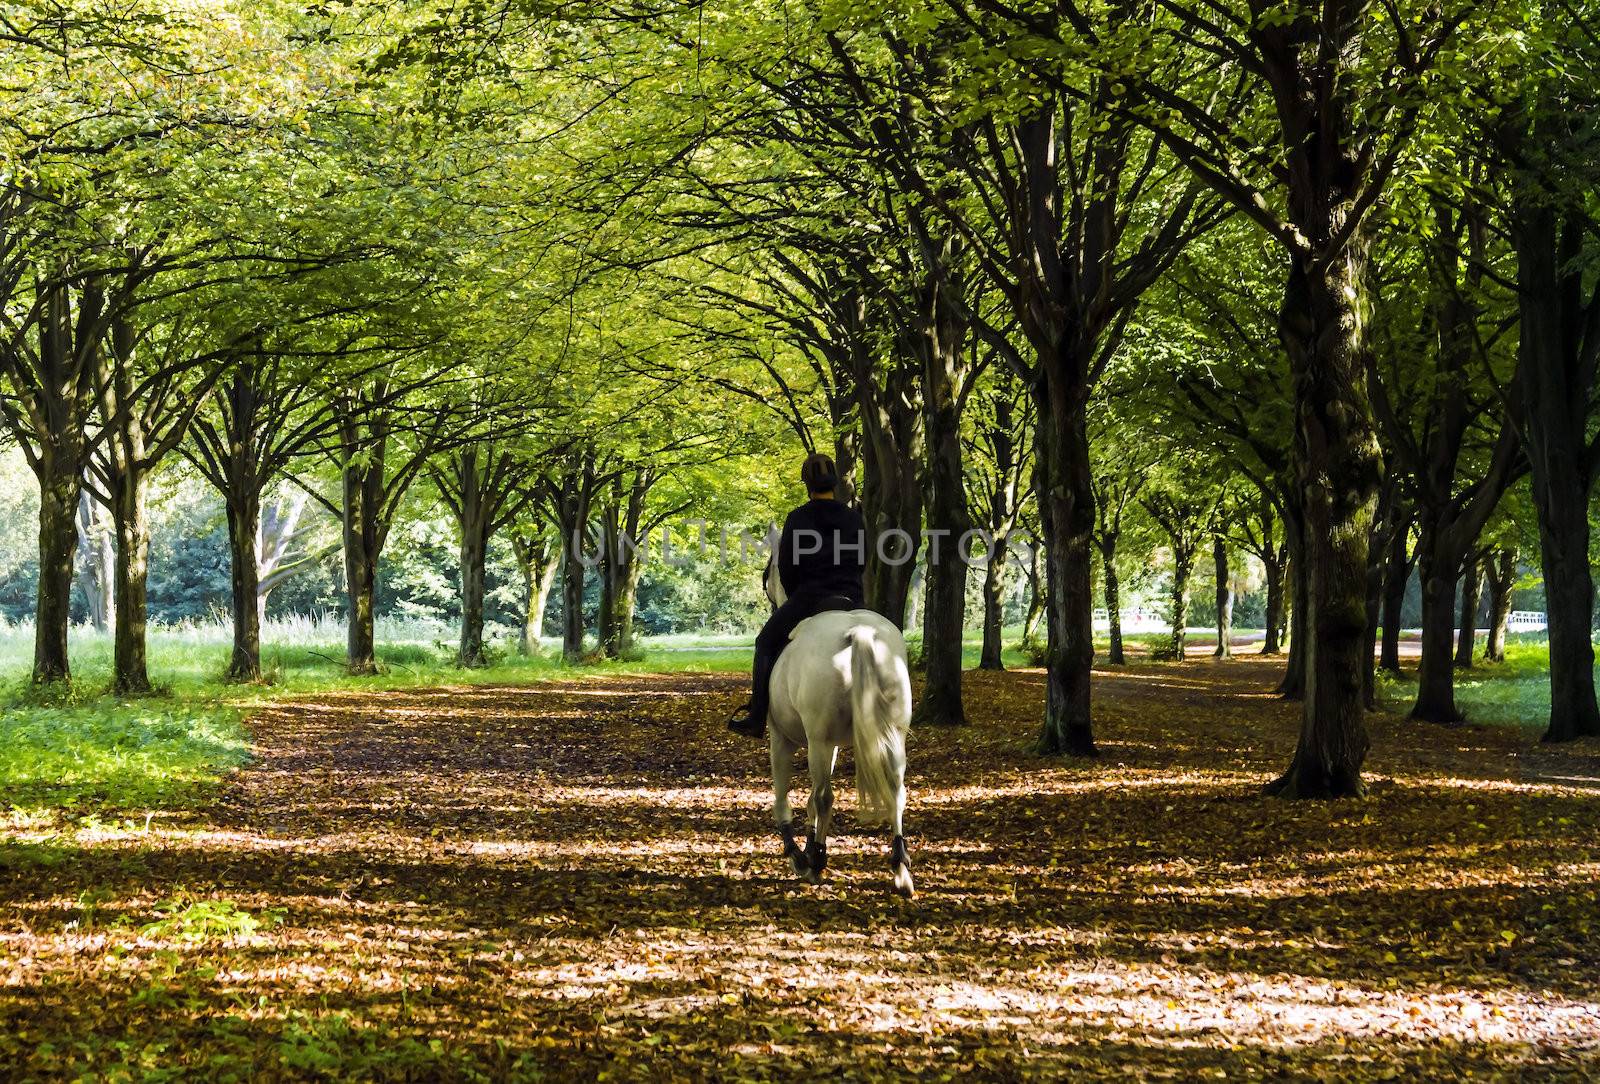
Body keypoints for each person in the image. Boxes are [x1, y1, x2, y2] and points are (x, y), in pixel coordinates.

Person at [728, 452, 866, 738]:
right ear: (834, 484)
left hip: (811, 599)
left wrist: (796, 596)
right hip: (851, 600)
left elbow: (788, 566)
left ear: (808, 485)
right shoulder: (853, 518)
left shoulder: (798, 518)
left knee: (765, 642)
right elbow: (862, 560)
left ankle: (756, 717)